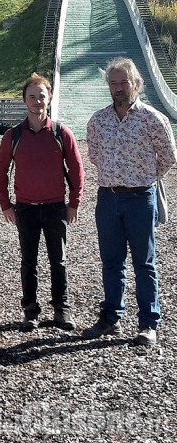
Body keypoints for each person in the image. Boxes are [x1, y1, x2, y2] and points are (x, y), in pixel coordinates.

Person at [83, 57, 176, 346]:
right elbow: (95, 156)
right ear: (108, 86)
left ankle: (148, 323)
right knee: (111, 261)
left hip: (140, 198)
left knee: (144, 263)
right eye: (113, 83)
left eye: (124, 82)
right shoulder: (98, 120)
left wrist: (144, 176)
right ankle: (111, 317)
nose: (119, 87)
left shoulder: (152, 118)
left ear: (136, 83)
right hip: (108, 198)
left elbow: (169, 157)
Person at [0, 73, 85, 331]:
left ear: (49, 98)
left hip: (56, 207)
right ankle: (30, 311)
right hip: (26, 208)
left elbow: (76, 168)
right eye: (31, 97)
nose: (36, 101)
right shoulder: (13, 136)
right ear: (24, 100)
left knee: (59, 260)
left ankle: (61, 310)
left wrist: (74, 202)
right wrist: (5, 204)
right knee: (28, 261)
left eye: (41, 96)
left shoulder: (61, 133)